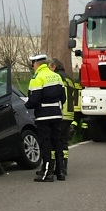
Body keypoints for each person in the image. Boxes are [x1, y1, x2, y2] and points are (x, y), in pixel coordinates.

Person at [25, 54, 66, 182]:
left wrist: (26, 104)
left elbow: (34, 99)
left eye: (33, 64)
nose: (32, 67)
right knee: (57, 142)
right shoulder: (56, 76)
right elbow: (63, 98)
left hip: (43, 116)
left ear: (37, 64)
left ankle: (47, 173)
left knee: (45, 143)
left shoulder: (37, 77)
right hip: (56, 114)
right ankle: (60, 171)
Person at [50, 58, 81, 181]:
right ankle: (64, 167)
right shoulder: (69, 78)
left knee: (54, 141)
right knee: (63, 141)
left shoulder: (57, 77)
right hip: (69, 114)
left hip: (60, 113)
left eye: (50, 67)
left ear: (54, 66)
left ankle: (55, 168)